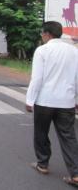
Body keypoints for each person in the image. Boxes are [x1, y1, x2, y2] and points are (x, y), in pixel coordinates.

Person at [26, 21, 78, 186]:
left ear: (47, 34)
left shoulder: (42, 50)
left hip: (45, 100)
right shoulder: (74, 51)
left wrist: (29, 100)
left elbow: (37, 78)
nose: (41, 36)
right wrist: (76, 98)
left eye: (42, 33)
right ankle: (76, 173)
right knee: (68, 137)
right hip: (67, 101)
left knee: (41, 133)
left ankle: (42, 164)